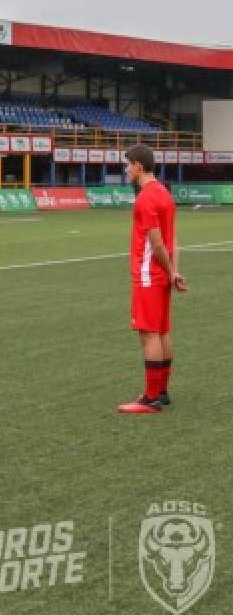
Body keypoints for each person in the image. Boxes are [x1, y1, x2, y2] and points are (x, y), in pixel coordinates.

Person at [118, 144, 186, 414]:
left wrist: (168, 271)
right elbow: (174, 241)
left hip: (149, 272)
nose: (125, 169)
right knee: (162, 331)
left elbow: (157, 244)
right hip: (162, 273)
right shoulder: (165, 194)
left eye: (127, 164)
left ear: (138, 165)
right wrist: (174, 272)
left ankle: (151, 398)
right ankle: (162, 391)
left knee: (149, 334)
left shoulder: (146, 197)